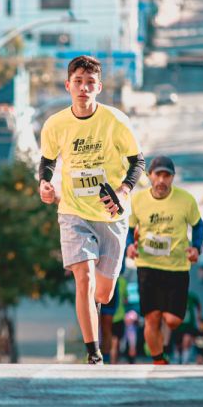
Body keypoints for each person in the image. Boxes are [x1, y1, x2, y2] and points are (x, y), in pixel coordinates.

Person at [39, 55, 145, 365]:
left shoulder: (115, 120)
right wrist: (44, 185)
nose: (83, 88)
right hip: (73, 211)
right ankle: (93, 352)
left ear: (98, 87)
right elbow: (47, 161)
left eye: (89, 83)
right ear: (68, 85)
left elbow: (137, 161)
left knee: (103, 294)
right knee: (82, 277)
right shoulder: (55, 124)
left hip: (112, 216)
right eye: (78, 82)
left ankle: (98, 318)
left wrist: (124, 192)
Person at [127, 156, 203, 365]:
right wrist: (130, 246)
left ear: (172, 178)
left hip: (177, 267)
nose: (161, 180)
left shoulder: (185, 200)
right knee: (152, 318)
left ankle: (163, 338)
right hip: (148, 266)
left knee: (172, 320)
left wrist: (196, 248)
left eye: (166, 176)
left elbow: (198, 225)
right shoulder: (138, 200)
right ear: (150, 176)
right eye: (158, 175)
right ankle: (159, 360)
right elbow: (130, 227)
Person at [172, 291, 202, 364]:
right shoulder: (174, 296)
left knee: (187, 341)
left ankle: (185, 361)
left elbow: (198, 304)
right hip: (178, 325)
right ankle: (177, 360)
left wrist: (199, 315)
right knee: (178, 345)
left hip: (189, 325)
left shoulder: (191, 296)